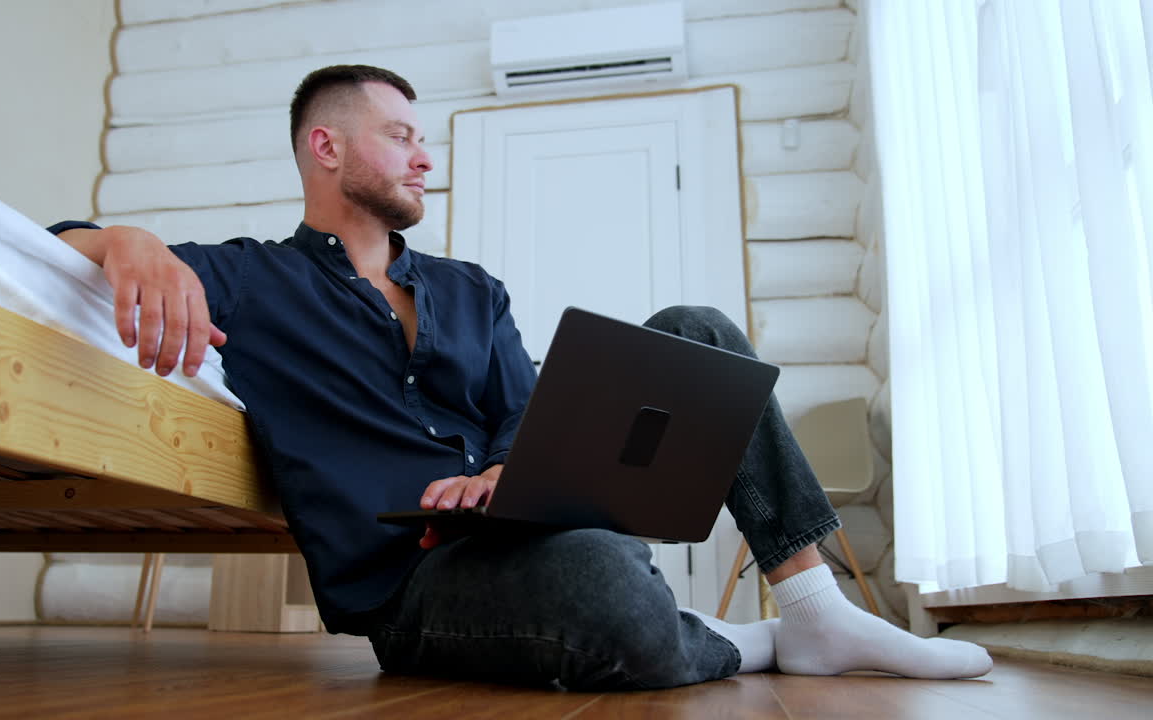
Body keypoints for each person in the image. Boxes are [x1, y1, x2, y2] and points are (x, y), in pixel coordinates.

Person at [53, 64, 992, 689]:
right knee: (606, 589)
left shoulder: (471, 290)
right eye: (400, 135)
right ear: (325, 148)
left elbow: (523, 409)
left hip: (531, 525)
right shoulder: (250, 279)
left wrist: (510, 469)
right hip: (412, 587)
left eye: (424, 138)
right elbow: (53, 243)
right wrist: (128, 239)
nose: (426, 155)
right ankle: (751, 643)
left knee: (697, 333)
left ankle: (813, 604)